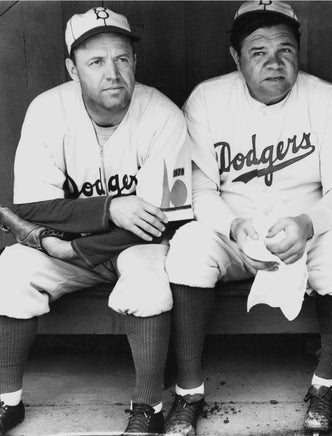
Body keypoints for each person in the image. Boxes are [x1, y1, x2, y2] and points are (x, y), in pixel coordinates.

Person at [162, 1, 332, 434]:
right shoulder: (207, 98)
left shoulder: (327, 100)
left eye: (285, 49)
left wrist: (310, 224)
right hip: (233, 232)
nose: (274, 62)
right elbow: (199, 191)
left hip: (304, 232)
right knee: (187, 249)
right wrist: (232, 229)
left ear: (299, 52)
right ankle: (188, 391)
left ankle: (326, 382)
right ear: (236, 57)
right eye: (258, 51)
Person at [0, 6, 192, 435]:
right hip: (67, 245)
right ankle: (6, 400)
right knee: (11, 269)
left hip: (133, 245)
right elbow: (31, 206)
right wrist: (110, 207)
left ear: (135, 62)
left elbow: (166, 219)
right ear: (72, 69)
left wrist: (76, 246)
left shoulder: (162, 114)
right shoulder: (47, 110)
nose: (113, 73)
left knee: (148, 279)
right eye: (96, 61)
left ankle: (149, 406)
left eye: (122, 58)